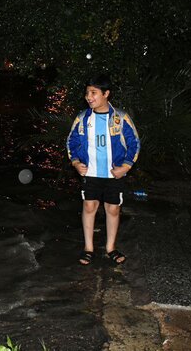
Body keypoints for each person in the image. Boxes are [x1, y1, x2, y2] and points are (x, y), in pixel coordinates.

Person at [66, 74, 140, 265]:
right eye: (87, 93)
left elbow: (134, 143)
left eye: (93, 93)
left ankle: (111, 248)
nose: (88, 97)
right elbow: (71, 142)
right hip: (90, 173)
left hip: (113, 174)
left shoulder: (121, 118)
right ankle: (88, 248)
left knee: (113, 209)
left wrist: (126, 166)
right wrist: (75, 162)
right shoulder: (83, 119)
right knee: (89, 206)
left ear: (106, 94)